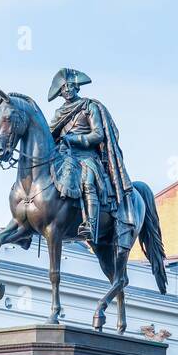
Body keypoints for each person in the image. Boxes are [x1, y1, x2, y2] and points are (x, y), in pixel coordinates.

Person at [47, 67, 138, 246]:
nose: (67, 91)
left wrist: (75, 138)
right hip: (65, 155)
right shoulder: (59, 113)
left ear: (77, 88)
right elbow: (51, 134)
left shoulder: (89, 107)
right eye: (64, 88)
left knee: (87, 181)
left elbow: (98, 134)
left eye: (70, 86)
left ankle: (91, 224)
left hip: (86, 155)